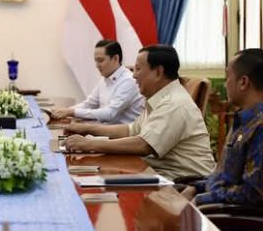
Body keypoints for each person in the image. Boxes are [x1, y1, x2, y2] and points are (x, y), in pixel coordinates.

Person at [64, 45, 215, 180]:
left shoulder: (174, 103)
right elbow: (130, 130)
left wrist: (90, 144)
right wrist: (88, 129)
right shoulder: (160, 98)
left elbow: (143, 145)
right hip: (160, 174)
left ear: (158, 72)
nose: (134, 75)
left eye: (138, 69)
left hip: (185, 184)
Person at [186, 49, 263, 207]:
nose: (226, 84)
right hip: (219, 211)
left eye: (227, 77)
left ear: (243, 82)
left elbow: (252, 195)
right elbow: (225, 179)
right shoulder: (247, 120)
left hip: (238, 224)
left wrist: (199, 200)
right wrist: (194, 189)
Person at [52, 39, 143, 123]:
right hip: (105, 133)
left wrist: (72, 112)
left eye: (100, 60)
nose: (97, 65)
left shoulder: (128, 81)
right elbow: (89, 104)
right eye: (96, 61)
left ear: (115, 58)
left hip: (123, 138)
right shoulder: (105, 78)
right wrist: (63, 112)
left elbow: (109, 113)